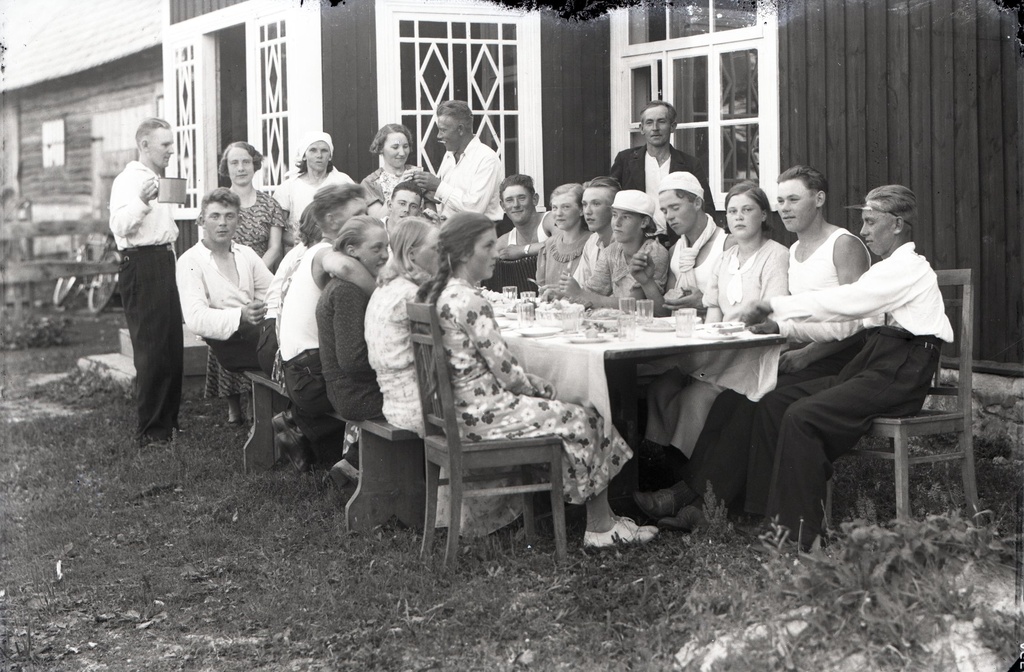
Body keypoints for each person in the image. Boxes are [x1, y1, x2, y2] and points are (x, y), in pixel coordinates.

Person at [635, 169, 872, 529]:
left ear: (819, 199)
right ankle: (698, 496)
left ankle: (722, 507)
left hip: (840, 359)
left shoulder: (843, 244)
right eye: (781, 201)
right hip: (800, 352)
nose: (786, 209)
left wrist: (809, 354)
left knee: (759, 405)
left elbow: (862, 320)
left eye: (794, 199)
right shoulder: (794, 250)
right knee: (731, 399)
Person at [415, 212, 658, 548]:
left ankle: (593, 516)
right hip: (483, 415)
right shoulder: (470, 301)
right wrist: (548, 389)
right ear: (464, 254)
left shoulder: (439, 293)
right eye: (488, 246)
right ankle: (601, 527)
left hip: (459, 413)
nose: (497, 253)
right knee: (586, 417)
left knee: (572, 411)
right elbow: (509, 375)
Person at [732, 184, 953, 550]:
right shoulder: (885, 271)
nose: (863, 232)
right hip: (878, 360)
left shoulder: (907, 267)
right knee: (776, 403)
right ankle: (769, 517)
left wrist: (776, 307)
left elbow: (846, 301)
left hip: (903, 369)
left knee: (804, 416)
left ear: (897, 225)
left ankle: (799, 536)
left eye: (869, 222)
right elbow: (855, 317)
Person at [364, 217, 521, 535]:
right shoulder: (415, 296)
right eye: (437, 248)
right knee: (500, 403)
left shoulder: (391, 287)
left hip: (398, 397)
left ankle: (458, 517)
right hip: (424, 407)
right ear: (410, 255)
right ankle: (493, 518)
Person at [641, 181, 788, 487]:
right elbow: (713, 313)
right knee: (663, 387)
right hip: (719, 351)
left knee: (695, 396)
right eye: (732, 211)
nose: (738, 217)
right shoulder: (726, 258)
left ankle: (689, 481)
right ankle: (659, 470)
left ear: (763, 214)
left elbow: (771, 314)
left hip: (752, 353)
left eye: (747, 210)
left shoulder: (776, 255)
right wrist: (704, 348)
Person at [273, 184, 368, 472]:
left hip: (299, 370)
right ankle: (355, 461)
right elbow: (347, 270)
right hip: (311, 375)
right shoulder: (324, 252)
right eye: (358, 214)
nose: (366, 218)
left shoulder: (314, 250)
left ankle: (303, 427)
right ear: (329, 221)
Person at [108, 117, 183, 447]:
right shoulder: (128, 181)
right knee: (152, 349)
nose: (171, 149)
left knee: (171, 345)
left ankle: (168, 422)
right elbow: (119, 225)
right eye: (165, 144)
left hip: (164, 261)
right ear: (144, 145)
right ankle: (151, 431)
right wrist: (140, 200)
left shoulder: (157, 178)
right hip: (142, 264)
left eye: (171, 143)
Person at [176, 189, 274, 424]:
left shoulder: (246, 254)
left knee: (294, 349)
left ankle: (285, 418)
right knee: (290, 355)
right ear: (201, 220)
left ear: (238, 220)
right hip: (228, 343)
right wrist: (240, 315)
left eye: (229, 216)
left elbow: (273, 291)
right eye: (215, 216)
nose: (223, 223)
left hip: (257, 332)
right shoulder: (191, 261)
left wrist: (264, 308)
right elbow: (195, 319)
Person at [316, 215, 389, 487]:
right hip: (355, 394)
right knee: (436, 401)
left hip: (352, 388)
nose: (384, 255)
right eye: (376, 248)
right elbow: (353, 361)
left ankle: (356, 463)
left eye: (386, 247)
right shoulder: (348, 291)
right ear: (351, 251)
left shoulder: (353, 285)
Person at [609, 100, 716, 244]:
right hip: (636, 243)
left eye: (661, 121)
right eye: (649, 123)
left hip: (678, 243)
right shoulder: (625, 160)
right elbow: (610, 200)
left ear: (672, 126)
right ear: (641, 129)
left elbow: (706, 207)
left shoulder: (690, 164)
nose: (655, 128)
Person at [559, 189, 669, 307]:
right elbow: (593, 290)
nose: (617, 223)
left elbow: (633, 304)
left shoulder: (653, 252)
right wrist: (562, 298)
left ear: (644, 222)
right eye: (615, 215)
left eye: (626, 217)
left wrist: (579, 293)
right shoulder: (611, 251)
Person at [409, 100, 504, 222]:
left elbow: (474, 209)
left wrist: (437, 185)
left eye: (443, 130)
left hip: (480, 234)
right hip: (450, 231)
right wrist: (423, 187)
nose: (438, 136)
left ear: (460, 129)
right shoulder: (449, 155)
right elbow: (444, 198)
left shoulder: (487, 159)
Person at [657, 172, 730, 317]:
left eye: (675, 208)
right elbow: (667, 310)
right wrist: (645, 281)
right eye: (664, 211)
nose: (669, 216)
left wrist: (704, 302)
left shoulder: (727, 245)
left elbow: (741, 304)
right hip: (682, 333)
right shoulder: (675, 251)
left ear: (697, 203)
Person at [273, 131, 354, 249]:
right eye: (313, 150)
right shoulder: (288, 187)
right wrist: (293, 238)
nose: (319, 155)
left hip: (337, 249)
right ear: (304, 155)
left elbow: (357, 217)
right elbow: (277, 229)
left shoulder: (343, 182)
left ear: (330, 155)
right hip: (301, 251)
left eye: (324, 150)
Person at [221, 141, 286, 269]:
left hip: (260, 275)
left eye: (246, 162)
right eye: (234, 163)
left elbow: (274, 248)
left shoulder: (270, 204)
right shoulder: (216, 203)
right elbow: (209, 246)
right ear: (226, 168)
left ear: (254, 165)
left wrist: (255, 273)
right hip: (224, 275)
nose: (241, 168)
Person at [489, 174, 553, 293]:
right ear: (503, 206)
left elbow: (564, 242)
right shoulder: (504, 241)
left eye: (522, 198)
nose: (516, 205)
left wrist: (522, 250)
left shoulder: (550, 219)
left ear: (535, 199)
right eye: (509, 200)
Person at [535, 183, 590, 291]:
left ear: (580, 210)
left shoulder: (592, 243)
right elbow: (541, 287)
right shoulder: (549, 245)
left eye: (566, 207)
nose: (558, 213)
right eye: (554, 208)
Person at [361, 123, 419, 219]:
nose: (402, 153)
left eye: (405, 146)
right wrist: (399, 187)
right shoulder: (371, 183)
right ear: (381, 149)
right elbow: (378, 220)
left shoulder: (417, 174)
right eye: (395, 147)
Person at [572, 176, 620, 288]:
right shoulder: (592, 241)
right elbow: (580, 286)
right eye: (584, 204)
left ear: (614, 209)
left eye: (596, 204)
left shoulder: (626, 243)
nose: (587, 211)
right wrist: (559, 293)